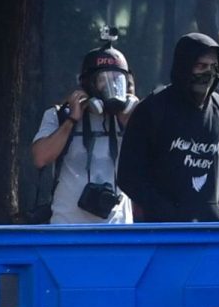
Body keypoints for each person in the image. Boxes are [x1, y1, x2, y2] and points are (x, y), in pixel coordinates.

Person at [117, 33, 219, 222]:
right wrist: (166, 212)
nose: (208, 73)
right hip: (163, 233)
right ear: (185, 66)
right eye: (201, 66)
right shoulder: (153, 109)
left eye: (214, 67)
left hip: (212, 234)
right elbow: (129, 175)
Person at [28, 43, 138, 225]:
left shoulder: (130, 118)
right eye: (103, 79)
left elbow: (154, 163)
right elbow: (40, 158)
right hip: (68, 228)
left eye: (117, 79)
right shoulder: (58, 115)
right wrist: (71, 120)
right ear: (88, 83)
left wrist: (132, 122)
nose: (111, 86)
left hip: (118, 231)